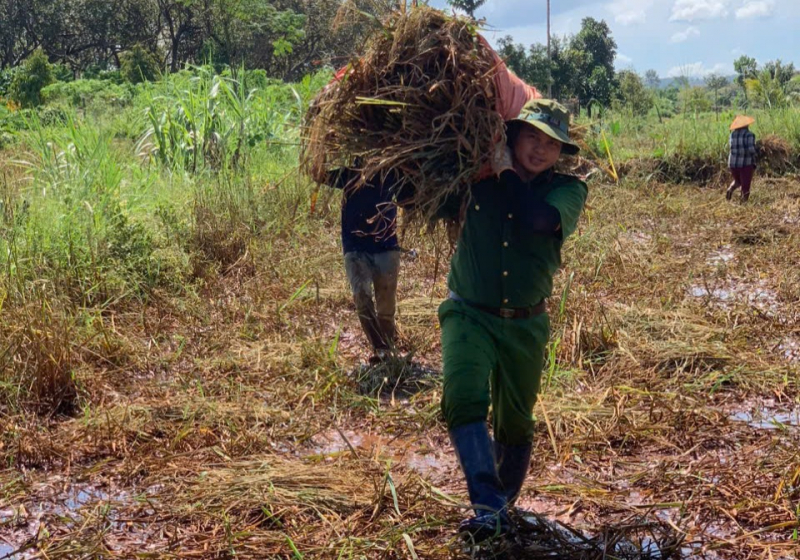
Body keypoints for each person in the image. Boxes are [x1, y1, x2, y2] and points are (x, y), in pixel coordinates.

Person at [432, 99, 587, 541]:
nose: (540, 149)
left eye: (551, 144)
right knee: (463, 399)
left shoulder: (568, 191)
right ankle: (489, 506)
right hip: (468, 313)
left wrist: (504, 172)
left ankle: (503, 505)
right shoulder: (476, 179)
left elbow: (538, 221)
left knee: (515, 421)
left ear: (561, 153)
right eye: (532, 137)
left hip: (525, 324)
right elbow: (431, 198)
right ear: (512, 135)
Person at [322, 167, 402, 361]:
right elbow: (319, 173)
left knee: (386, 304)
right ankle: (380, 348)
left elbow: (411, 196)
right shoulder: (349, 174)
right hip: (355, 247)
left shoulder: (393, 171)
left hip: (386, 245)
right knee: (362, 297)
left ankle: (388, 346)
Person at [726, 115, 757, 202]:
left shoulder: (732, 135)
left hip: (732, 163)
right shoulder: (749, 135)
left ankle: (730, 189)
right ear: (746, 125)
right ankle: (743, 204)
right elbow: (751, 150)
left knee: (738, 181)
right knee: (745, 186)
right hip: (745, 164)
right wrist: (759, 152)